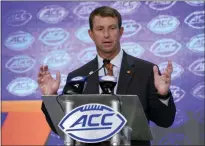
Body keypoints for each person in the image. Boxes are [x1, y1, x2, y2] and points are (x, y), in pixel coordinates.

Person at [38, 6, 176, 146]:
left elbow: (165, 121)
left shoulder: (146, 71)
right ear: (91, 34)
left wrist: (163, 95)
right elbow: (64, 127)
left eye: (112, 28)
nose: (106, 35)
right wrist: (50, 97)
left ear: (121, 32)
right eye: (100, 29)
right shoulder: (78, 76)